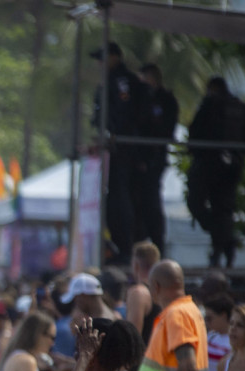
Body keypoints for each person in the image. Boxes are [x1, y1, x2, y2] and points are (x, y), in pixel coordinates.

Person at [91, 42, 147, 266]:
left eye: (103, 58)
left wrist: (114, 134)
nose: (100, 64)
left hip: (123, 147)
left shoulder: (122, 80)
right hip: (115, 146)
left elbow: (124, 114)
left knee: (121, 197)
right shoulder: (110, 80)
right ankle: (120, 245)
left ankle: (126, 245)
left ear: (114, 57)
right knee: (113, 197)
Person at [187, 77, 245, 268]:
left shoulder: (210, 104)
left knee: (197, 204)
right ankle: (223, 243)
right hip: (232, 167)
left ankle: (222, 242)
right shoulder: (240, 107)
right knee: (222, 211)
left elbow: (195, 132)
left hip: (208, 166)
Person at [135, 64, 179, 252]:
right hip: (140, 158)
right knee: (139, 201)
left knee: (151, 201)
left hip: (154, 157)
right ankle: (142, 240)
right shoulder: (143, 98)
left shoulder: (166, 100)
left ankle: (155, 242)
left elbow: (164, 129)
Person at [125, 241, 161, 344]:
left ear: (136, 265)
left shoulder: (138, 293)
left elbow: (132, 337)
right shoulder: (162, 292)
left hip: (144, 358)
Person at [204, 294, 234, 371]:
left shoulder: (235, 342)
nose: (206, 322)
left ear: (223, 316)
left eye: (209, 318)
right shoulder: (211, 336)